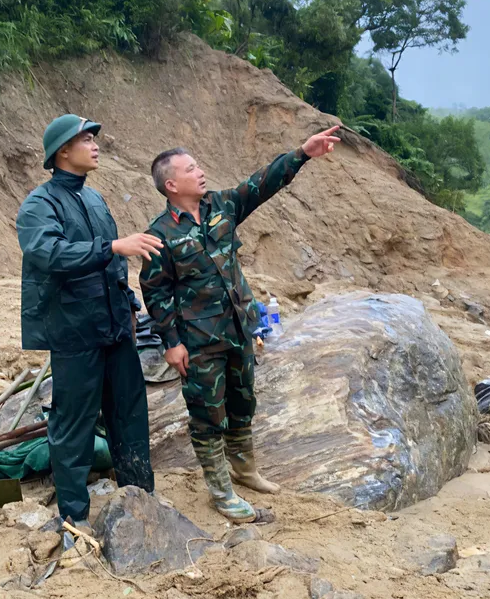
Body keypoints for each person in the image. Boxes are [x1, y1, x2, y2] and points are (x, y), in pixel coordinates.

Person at [139, 127, 340, 522]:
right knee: (207, 414)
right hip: (198, 341)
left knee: (243, 401)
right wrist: (171, 343)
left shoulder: (222, 206)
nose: (200, 172)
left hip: (238, 328)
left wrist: (303, 153)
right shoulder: (159, 235)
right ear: (171, 183)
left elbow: (261, 184)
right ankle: (220, 490)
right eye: (191, 168)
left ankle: (245, 470)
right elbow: (155, 294)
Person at [16, 114, 163, 533]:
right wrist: (114, 245)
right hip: (74, 332)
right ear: (63, 150)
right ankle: (74, 516)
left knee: (129, 413)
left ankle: (140, 497)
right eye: (86, 138)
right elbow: (49, 254)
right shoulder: (39, 205)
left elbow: (113, 265)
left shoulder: (96, 200)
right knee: (73, 424)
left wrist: (130, 305)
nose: (96, 144)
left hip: (115, 327)